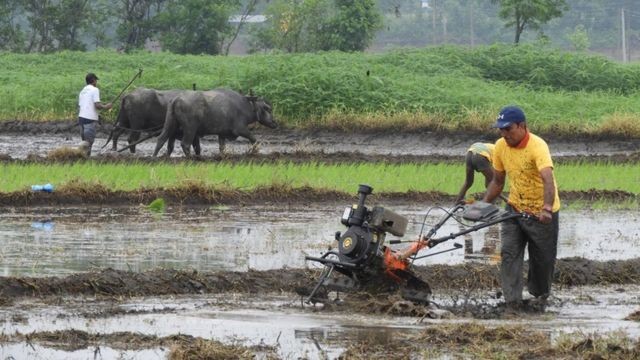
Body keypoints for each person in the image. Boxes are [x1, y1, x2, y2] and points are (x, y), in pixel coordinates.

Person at [481, 105, 560, 312]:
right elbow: (498, 182)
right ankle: (512, 302)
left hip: (541, 213)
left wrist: (546, 208)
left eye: (508, 129)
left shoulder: (537, 146)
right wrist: (483, 206)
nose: (504, 134)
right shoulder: (500, 146)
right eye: (501, 129)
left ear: (522, 126)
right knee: (508, 253)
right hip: (515, 208)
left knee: (542, 260)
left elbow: (548, 179)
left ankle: (539, 298)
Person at [78, 73, 112, 156]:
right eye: (96, 80)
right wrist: (106, 107)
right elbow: (97, 105)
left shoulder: (83, 91)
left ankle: (83, 159)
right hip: (89, 119)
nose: (96, 82)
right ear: (93, 80)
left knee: (84, 142)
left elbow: (84, 105)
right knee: (89, 143)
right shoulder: (95, 89)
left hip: (81, 119)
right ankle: (85, 160)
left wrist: (97, 115)